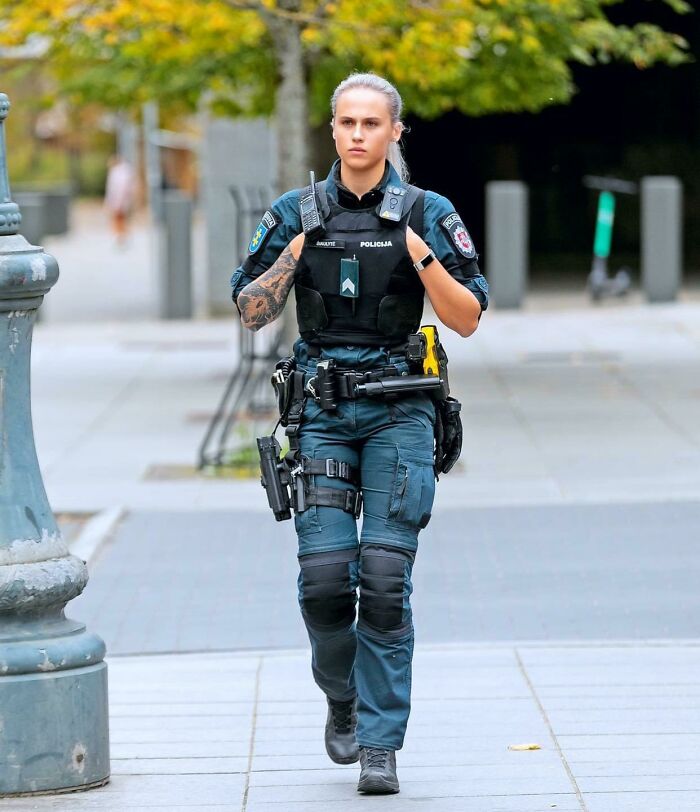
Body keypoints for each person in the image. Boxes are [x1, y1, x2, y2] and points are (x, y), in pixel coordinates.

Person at [231, 72, 488, 794]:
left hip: (400, 411)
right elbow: (250, 311)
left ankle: (379, 744)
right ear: (333, 129)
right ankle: (342, 697)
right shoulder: (296, 211)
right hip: (321, 412)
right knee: (323, 583)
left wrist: (418, 252)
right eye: (347, 122)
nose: (357, 134)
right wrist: (297, 248)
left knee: (382, 580)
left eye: (372, 123)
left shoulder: (429, 212)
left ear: (394, 132)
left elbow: (468, 318)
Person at [104, 154, 136, 246]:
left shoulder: (118, 173)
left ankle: (121, 238)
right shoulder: (125, 171)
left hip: (119, 201)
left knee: (119, 219)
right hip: (122, 200)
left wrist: (118, 202)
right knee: (122, 219)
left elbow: (119, 189)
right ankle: (122, 237)